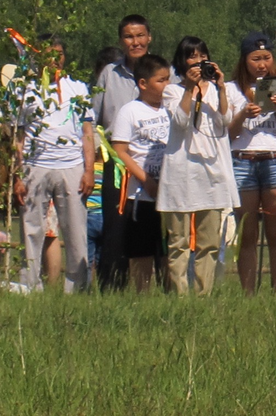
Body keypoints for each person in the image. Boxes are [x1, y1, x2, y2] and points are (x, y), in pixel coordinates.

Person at [14, 36, 96, 292]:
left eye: (59, 53)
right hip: (35, 165)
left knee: (74, 229)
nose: (55, 59)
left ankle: (77, 287)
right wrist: (18, 174)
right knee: (32, 229)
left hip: (71, 164)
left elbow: (87, 132)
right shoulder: (24, 90)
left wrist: (89, 170)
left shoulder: (78, 88)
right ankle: (30, 286)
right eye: (49, 54)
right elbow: (18, 136)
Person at [158, 38, 236, 296]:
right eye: (192, 56)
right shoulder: (171, 90)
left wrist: (221, 88)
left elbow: (225, 121)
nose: (199, 60)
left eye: (203, 55)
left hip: (211, 172)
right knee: (178, 241)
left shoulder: (216, 90)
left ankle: (203, 295)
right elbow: (180, 122)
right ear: (182, 61)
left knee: (209, 242)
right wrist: (189, 89)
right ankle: (180, 294)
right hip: (181, 172)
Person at [226, 32, 276, 292]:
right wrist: (243, 113)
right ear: (244, 60)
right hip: (244, 161)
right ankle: (248, 294)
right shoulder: (231, 88)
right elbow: (229, 133)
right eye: (255, 58)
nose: (261, 64)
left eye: (266, 57)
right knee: (247, 234)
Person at [92, 15, 152, 289]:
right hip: (116, 163)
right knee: (114, 228)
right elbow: (92, 119)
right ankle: (111, 287)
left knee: (149, 228)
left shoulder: (164, 72)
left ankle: (149, 288)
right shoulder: (109, 74)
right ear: (121, 41)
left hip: (152, 162)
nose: (135, 42)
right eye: (129, 37)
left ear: (149, 37)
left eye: (140, 36)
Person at [109, 54, 174, 293]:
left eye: (169, 79)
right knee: (142, 250)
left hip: (171, 191)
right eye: (161, 80)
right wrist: (145, 180)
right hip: (141, 194)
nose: (167, 85)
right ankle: (142, 296)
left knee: (168, 248)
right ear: (143, 83)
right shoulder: (130, 111)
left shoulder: (173, 109)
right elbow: (120, 149)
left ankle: (172, 293)